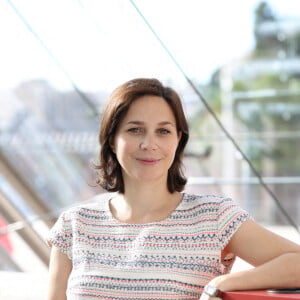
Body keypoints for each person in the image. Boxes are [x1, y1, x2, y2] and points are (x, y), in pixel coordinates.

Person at [46, 78, 300, 300]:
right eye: (135, 130)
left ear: (178, 140)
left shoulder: (214, 217)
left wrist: (221, 284)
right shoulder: (74, 225)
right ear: (112, 139)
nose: (149, 143)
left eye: (163, 131)